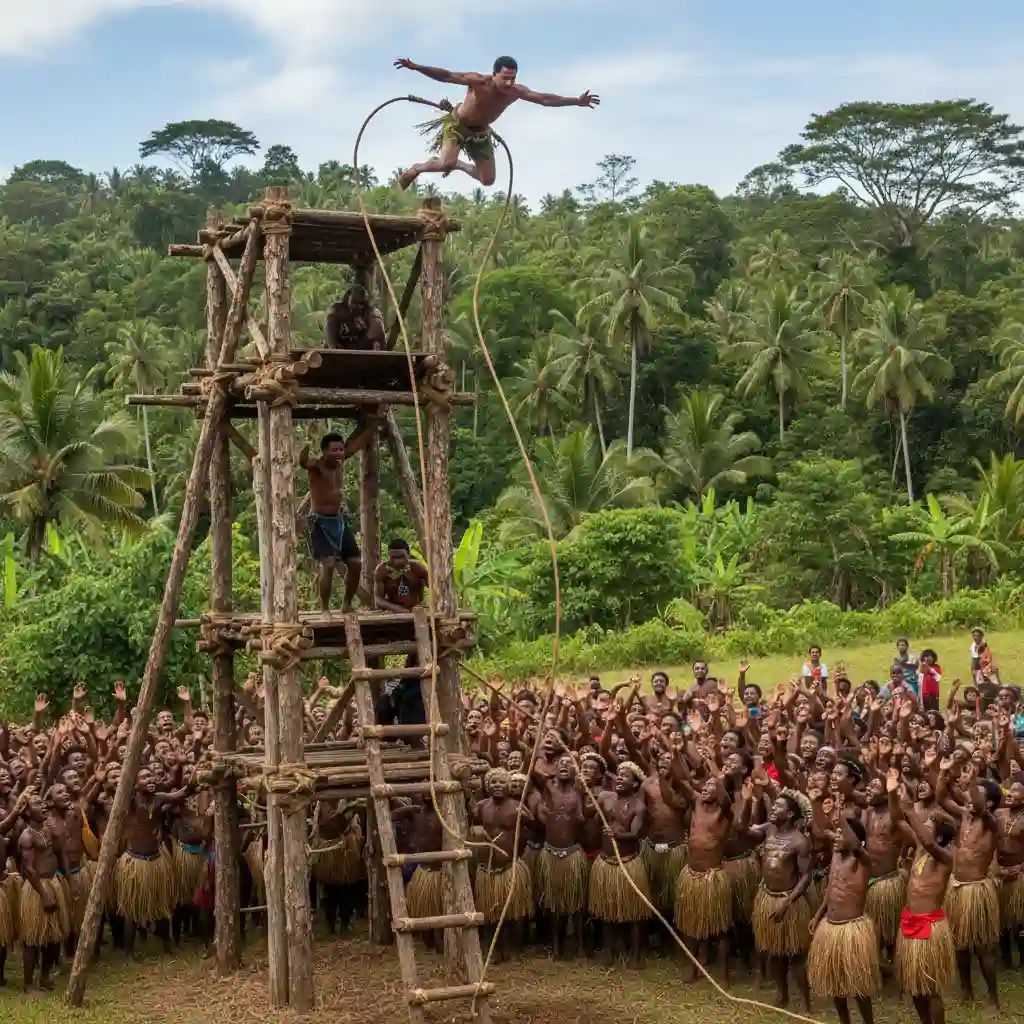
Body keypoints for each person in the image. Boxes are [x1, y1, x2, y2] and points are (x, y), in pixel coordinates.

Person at [394, 56, 599, 190]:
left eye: (512, 78)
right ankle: (418, 168)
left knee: (487, 180)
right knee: (445, 163)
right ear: (494, 75)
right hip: (457, 126)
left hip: (481, 134)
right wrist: (417, 67)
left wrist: (576, 101)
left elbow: (544, 99)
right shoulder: (478, 81)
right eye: (505, 78)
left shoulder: (516, 91)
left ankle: (459, 165)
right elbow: (447, 76)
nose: (509, 83)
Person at [893, 781, 957, 1024]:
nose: (921, 829)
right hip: (910, 922)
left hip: (929, 928)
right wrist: (893, 794)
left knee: (929, 988)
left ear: (939, 836)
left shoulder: (945, 858)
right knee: (915, 987)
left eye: (927, 826)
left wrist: (910, 810)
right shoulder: (920, 849)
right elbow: (897, 821)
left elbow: (928, 842)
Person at [807, 816, 880, 1024]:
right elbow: (831, 888)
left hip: (851, 929)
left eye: (841, 834)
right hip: (830, 926)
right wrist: (818, 915)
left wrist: (839, 818)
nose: (836, 838)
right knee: (835, 982)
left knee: (858, 985)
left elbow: (856, 846)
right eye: (836, 834)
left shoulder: (863, 861)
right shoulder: (836, 856)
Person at [745, 786, 813, 1011]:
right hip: (767, 897)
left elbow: (806, 876)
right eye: (773, 805)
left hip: (789, 902)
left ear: (791, 814)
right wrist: (747, 801)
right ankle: (781, 994)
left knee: (796, 955)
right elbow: (742, 830)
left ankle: (805, 1001)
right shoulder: (768, 829)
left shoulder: (800, 841)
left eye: (778, 806)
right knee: (774, 951)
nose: (773, 808)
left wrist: (788, 901)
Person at [300, 422, 379, 612]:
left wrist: (372, 425)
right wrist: (306, 444)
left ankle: (346, 604)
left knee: (355, 563)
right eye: (334, 450)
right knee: (327, 565)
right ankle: (324, 609)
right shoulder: (317, 466)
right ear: (324, 452)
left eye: (341, 450)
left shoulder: (340, 464)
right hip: (320, 522)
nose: (339, 453)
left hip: (338, 522)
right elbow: (303, 461)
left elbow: (355, 445)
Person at [586, 761, 651, 966]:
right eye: (619, 774)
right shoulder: (605, 798)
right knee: (607, 911)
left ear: (635, 783)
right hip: (606, 862)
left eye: (625, 775)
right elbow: (595, 820)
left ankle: (636, 955)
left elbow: (634, 834)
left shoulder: (639, 807)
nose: (620, 777)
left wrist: (617, 833)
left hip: (628, 863)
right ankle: (608, 951)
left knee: (636, 913)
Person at [534, 755, 588, 960]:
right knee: (554, 904)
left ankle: (580, 945)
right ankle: (557, 947)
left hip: (572, 853)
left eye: (569, 763)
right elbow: (534, 773)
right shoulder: (548, 788)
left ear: (576, 770)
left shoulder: (579, 792)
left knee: (576, 904)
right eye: (560, 763)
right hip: (550, 854)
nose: (564, 765)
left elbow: (582, 818)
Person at [373, 539, 428, 613]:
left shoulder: (418, 568)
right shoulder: (382, 570)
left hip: (416, 610)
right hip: (393, 612)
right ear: (389, 555)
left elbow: (434, 589)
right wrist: (395, 608)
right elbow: (378, 599)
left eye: (401, 557)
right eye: (393, 557)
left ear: (408, 554)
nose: (398, 561)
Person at [324, 284, 385, 351]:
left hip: (363, 350)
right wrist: (334, 346)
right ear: (347, 298)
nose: (356, 307)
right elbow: (330, 332)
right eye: (354, 302)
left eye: (361, 304)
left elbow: (378, 337)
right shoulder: (336, 310)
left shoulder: (372, 313)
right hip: (339, 349)